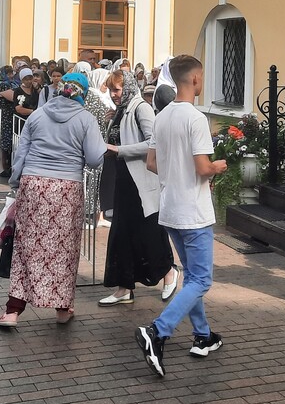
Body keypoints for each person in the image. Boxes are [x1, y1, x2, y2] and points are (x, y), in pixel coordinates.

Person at [135, 55, 229, 378]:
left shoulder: (161, 117)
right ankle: (158, 331)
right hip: (195, 211)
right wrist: (218, 166)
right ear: (195, 80)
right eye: (201, 78)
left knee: (191, 275)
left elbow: (151, 162)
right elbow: (203, 168)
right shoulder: (196, 118)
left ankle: (203, 335)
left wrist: (177, 173)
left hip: (170, 209)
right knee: (201, 279)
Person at [0, 72, 107, 328]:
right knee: (64, 250)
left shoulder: (38, 114)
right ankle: (63, 308)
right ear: (83, 94)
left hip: (33, 185)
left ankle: (13, 311)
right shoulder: (86, 119)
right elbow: (93, 159)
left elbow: (21, 154)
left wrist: (15, 184)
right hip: (67, 189)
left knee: (27, 248)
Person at [100, 69, 178, 306]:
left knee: (148, 231)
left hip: (140, 182)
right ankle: (124, 287)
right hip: (125, 180)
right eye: (111, 89)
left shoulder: (139, 107)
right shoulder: (123, 109)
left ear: (128, 87)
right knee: (122, 234)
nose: (113, 94)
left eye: (117, 89)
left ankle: (169, 273)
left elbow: (153, 141)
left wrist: (119, 150)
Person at [84, 67, 115, 224]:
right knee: (93, 181)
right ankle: (92, 216)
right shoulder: (93, 98)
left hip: (101, 144)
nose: (106, 87)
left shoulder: (101, 97)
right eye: (104, 84)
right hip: (96, 145)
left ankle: (99, 215)